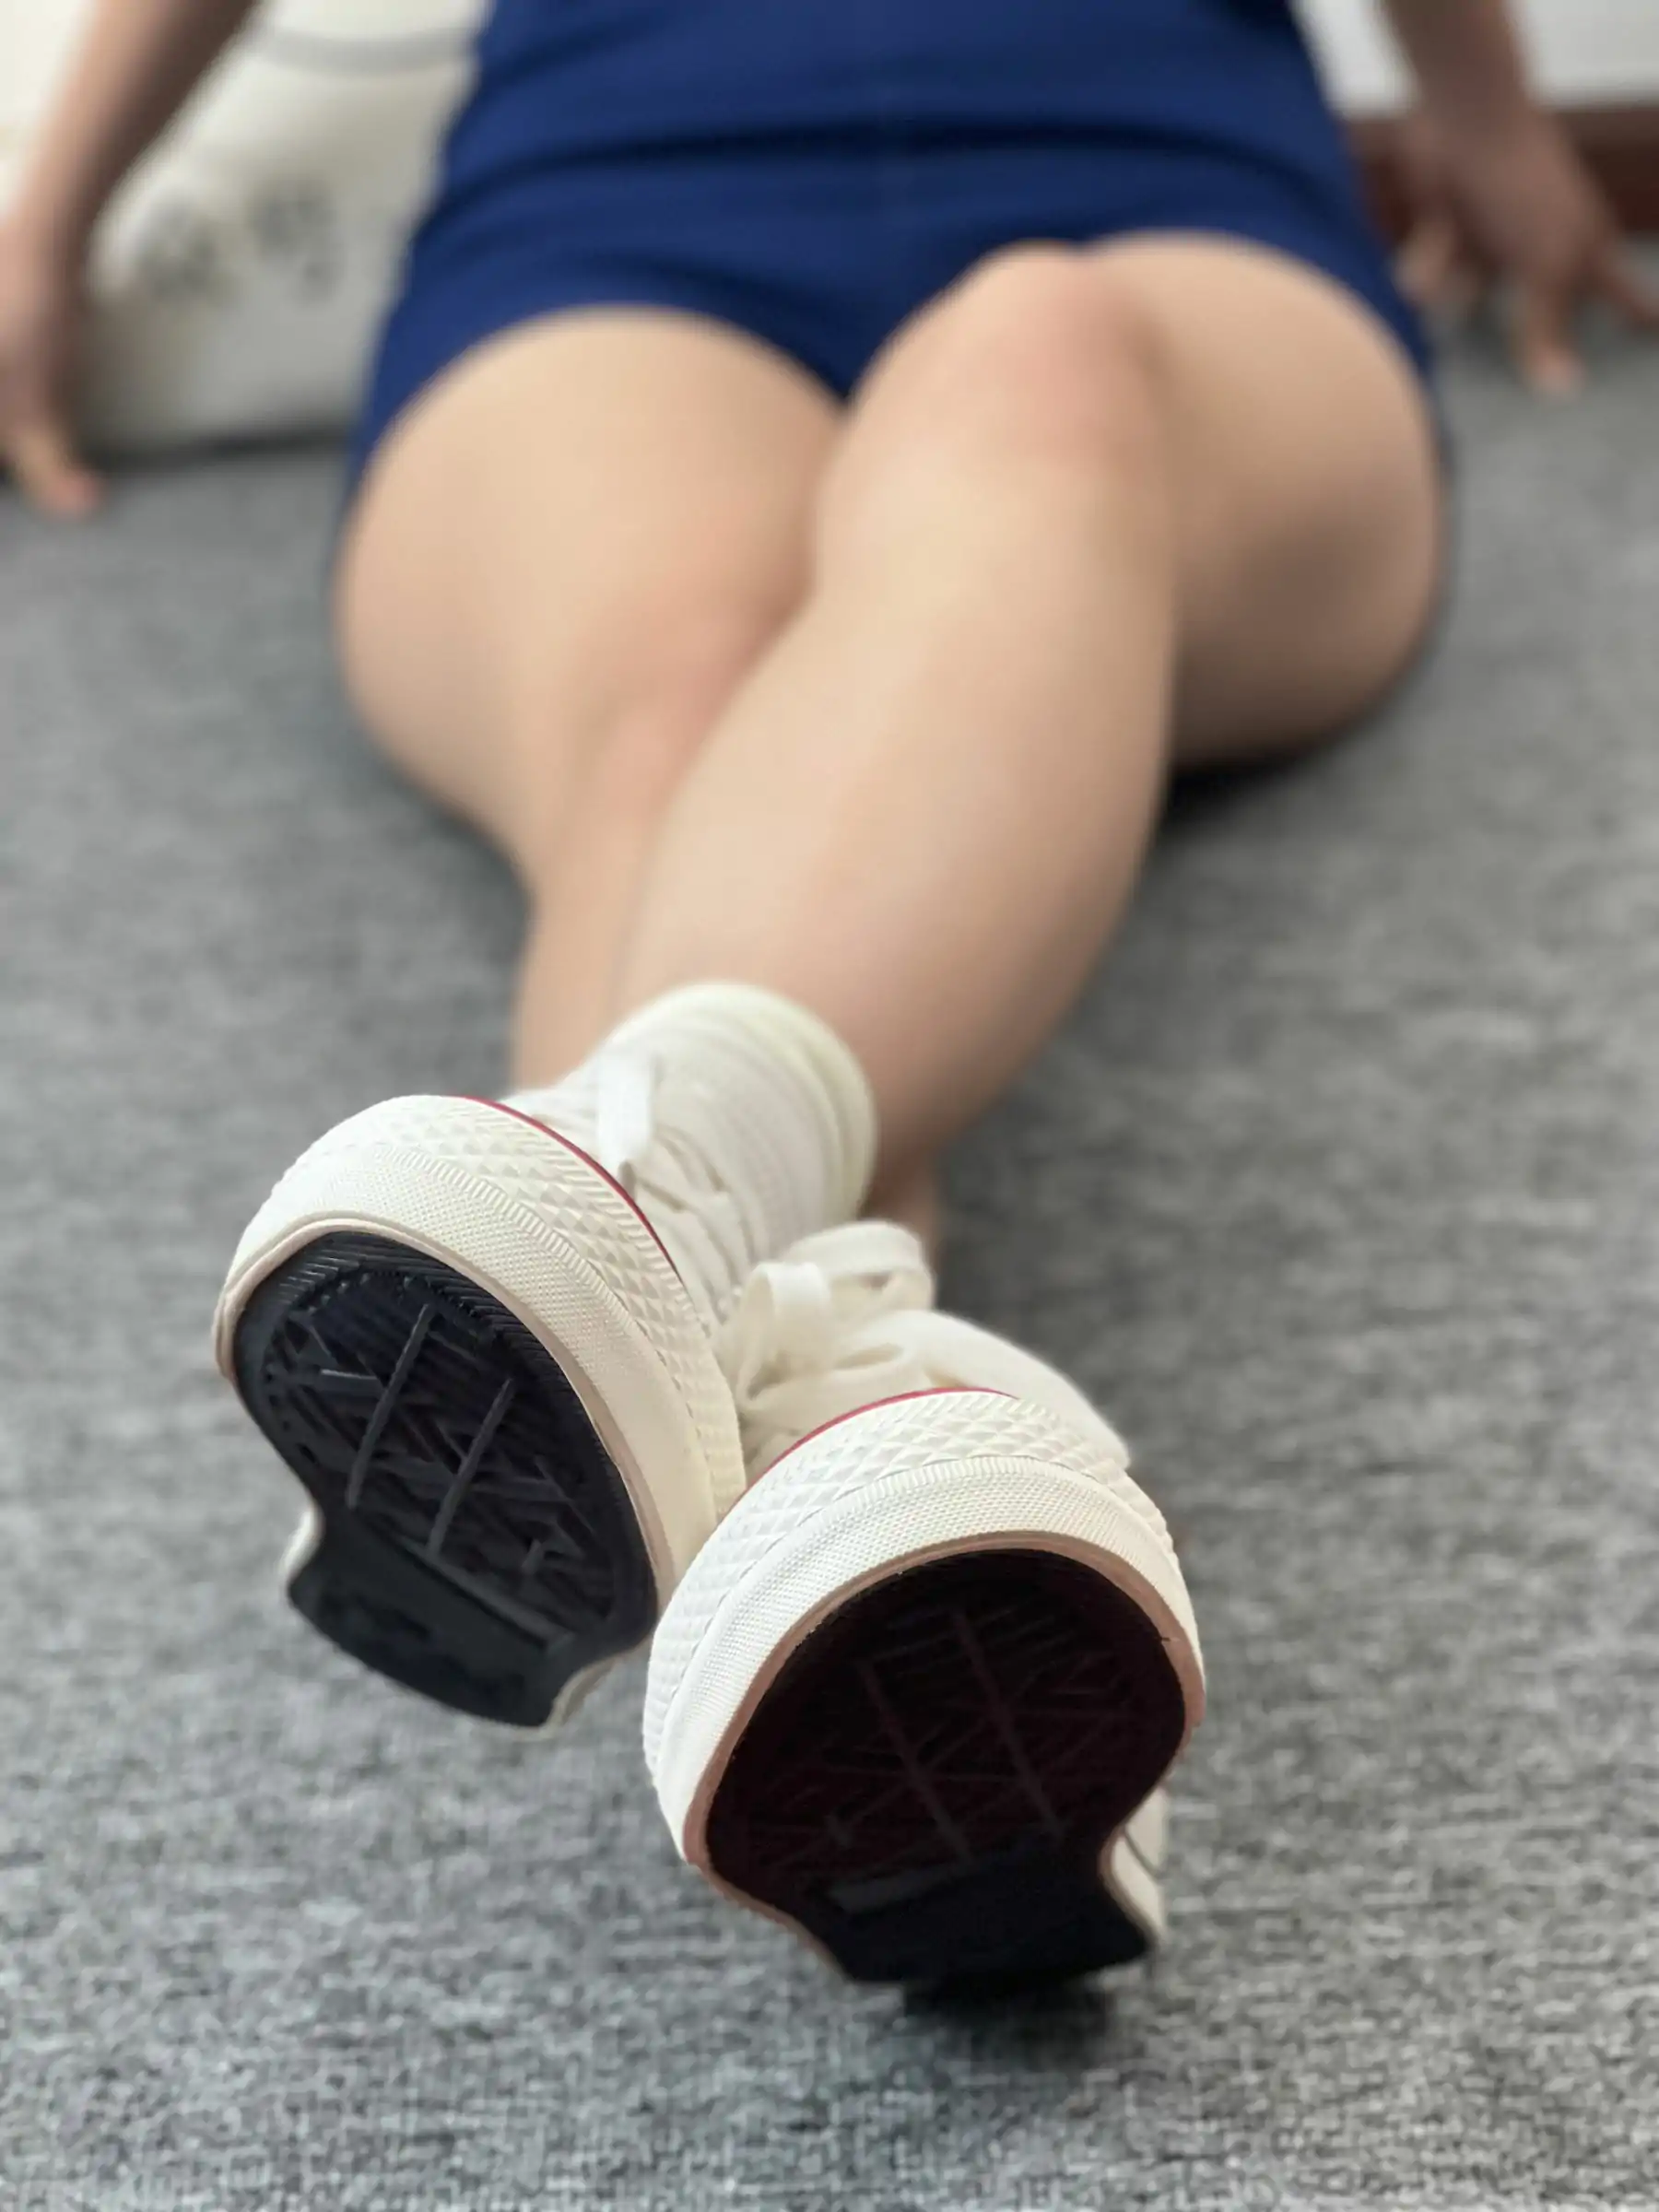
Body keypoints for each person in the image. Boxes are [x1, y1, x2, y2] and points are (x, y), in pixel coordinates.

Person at [5, 0, 1654, 1990]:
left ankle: (648, 1196)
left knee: (1042, 368)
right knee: (677, 697)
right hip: (613, 223)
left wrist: (1491, 124)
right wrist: (46, 225)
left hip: (1168, 211)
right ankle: (859, 1433)